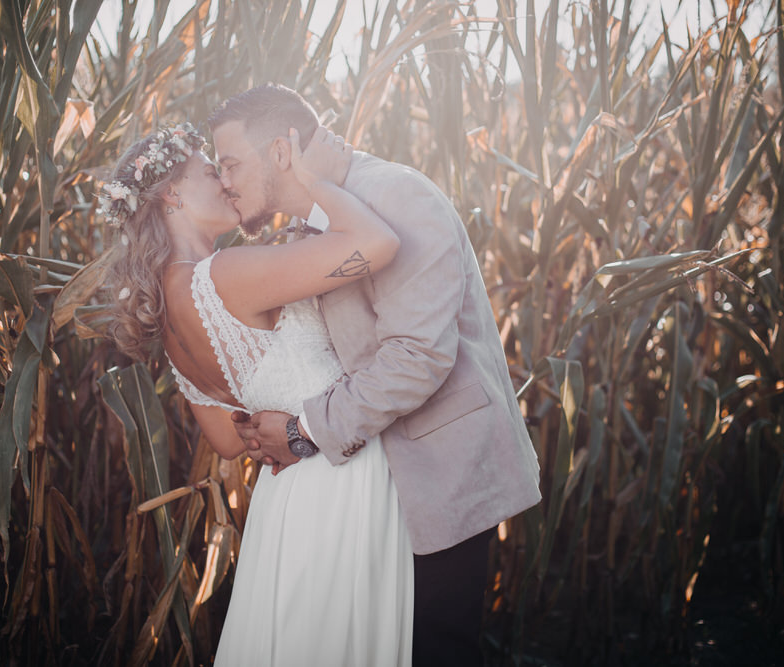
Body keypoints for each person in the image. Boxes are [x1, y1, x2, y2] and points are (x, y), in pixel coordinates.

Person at [209, 84, 542, 666]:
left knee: (432, 651)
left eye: (231, 163)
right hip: (367, 486)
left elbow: (418, 357)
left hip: (442, 476)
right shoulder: (311, 221)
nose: (224, 181)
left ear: (282, 153)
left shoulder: (397, 197)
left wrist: (302, 429)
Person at [104, 121, 413, 665]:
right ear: (171, 194)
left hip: (288, 499)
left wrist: (282, 413)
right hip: (343, 482)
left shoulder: (169, 314)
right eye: (209, 171)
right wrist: (311, 178)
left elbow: (228, 439)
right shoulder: (224, 274)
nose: (226, 184)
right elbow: (378, 243)